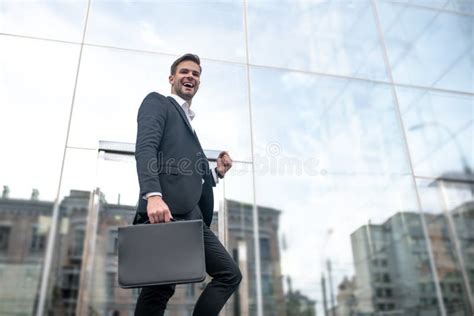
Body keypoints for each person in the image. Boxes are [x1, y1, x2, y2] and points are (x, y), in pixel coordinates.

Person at [132, 53, 242, 316]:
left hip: (192, 218)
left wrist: (217, 173)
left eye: (195, 73)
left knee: (229, 274)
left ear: (199, 83)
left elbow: (191, 176)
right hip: (167, 211)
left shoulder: (189, 127)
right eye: (184, 71)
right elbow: (145, 148)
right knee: (159, 289)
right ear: (172, 78)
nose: (190, 76)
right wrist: (153, 195)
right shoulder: (157, 103)